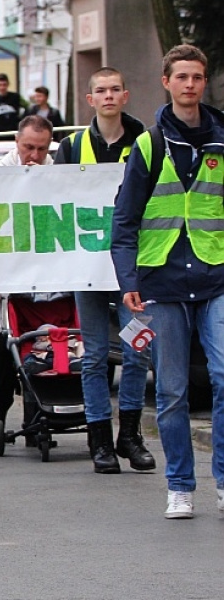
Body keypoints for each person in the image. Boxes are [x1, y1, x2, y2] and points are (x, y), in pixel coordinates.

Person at [111, 44, 224, 519]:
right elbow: (125, 220)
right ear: (167, 82)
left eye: (197, 77)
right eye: (182, 77)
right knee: (174, 391)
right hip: (162, 281)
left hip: (216, 277)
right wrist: (128, 279)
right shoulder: (148, 144)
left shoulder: (222, 139)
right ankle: (180, 485)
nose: (190, 85)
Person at [52, 66, 155, 475]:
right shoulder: (72, 147)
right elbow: (52, 202)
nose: (108, 96)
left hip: (133, 269)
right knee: (94, 356)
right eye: (101, 90)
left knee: (137, 349)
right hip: (87, 268)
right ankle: (100, 441)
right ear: (90, 99)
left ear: (125, 96)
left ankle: (129, 435)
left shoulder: (149, 142)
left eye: (115, 89)